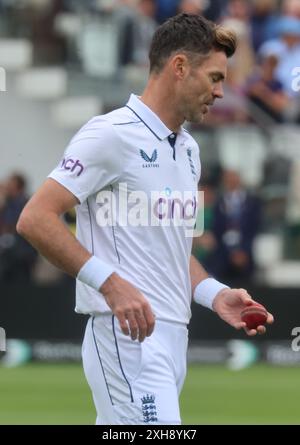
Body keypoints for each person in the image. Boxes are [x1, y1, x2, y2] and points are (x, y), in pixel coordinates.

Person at [17, 13, 274, 425]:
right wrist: (112, 284)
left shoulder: (188, 149)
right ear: (179, 67)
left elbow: (172, 250)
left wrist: (213, 294)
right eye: (214, 77)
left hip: (173, 338)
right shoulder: (110, 134)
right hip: (128, 336)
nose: (222, 92)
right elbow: (35, 218)